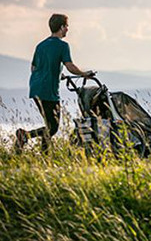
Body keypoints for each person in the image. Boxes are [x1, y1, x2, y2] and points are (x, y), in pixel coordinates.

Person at [14, 13, 94, 154]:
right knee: (53, 127)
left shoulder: (41, 45)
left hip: (35, 87)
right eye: (67, 26)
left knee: (49, 125)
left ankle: (45, 154)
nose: (68, 29)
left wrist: (58, 74)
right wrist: (84, 74)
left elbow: (34, 68)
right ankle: (25, 136)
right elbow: (70, 66)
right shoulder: (63, 46)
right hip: (48, 90)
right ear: (62, 27)